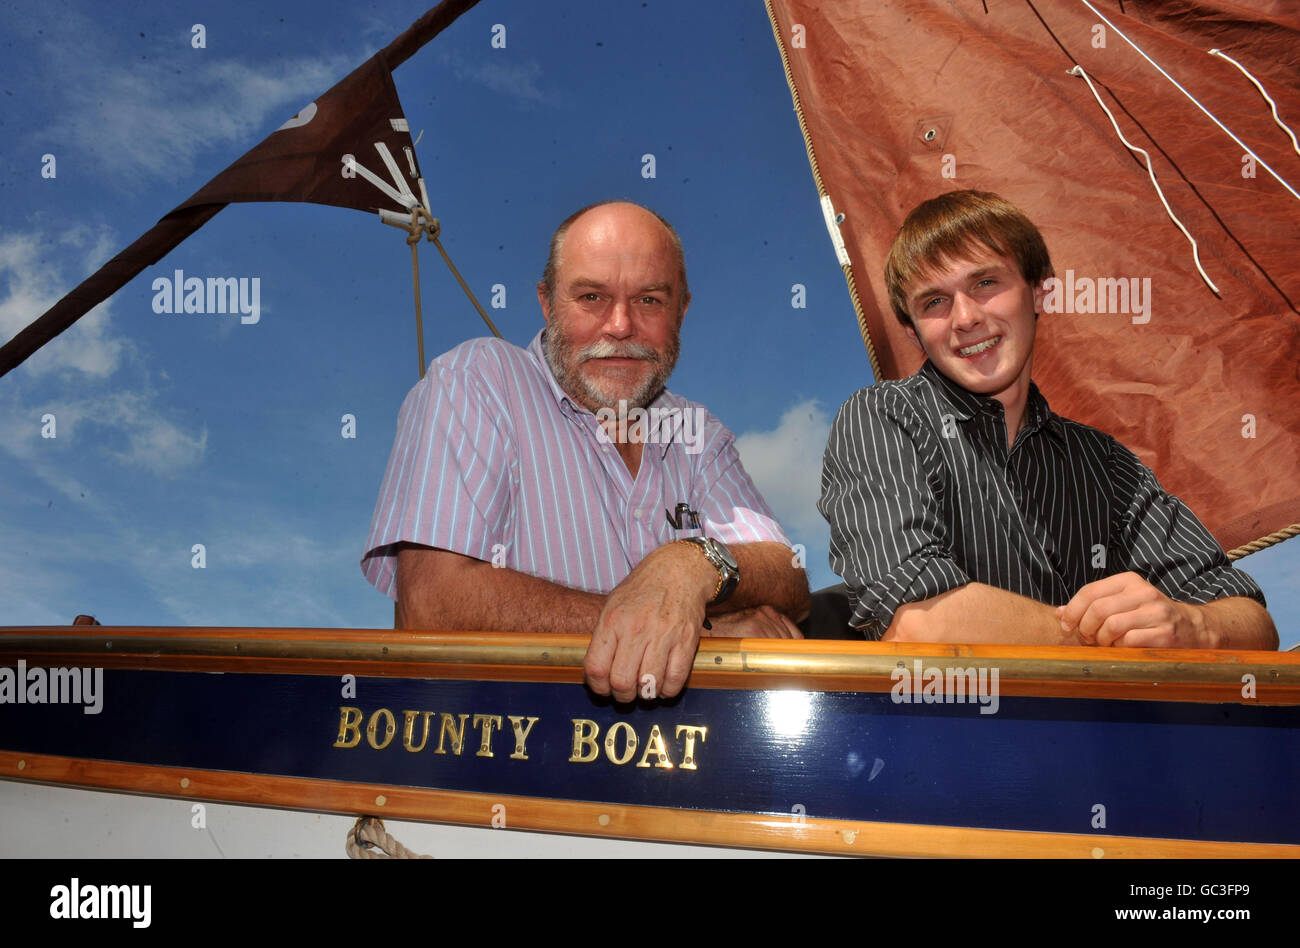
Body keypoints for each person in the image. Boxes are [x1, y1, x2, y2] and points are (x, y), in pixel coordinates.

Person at [362, 200, 812, 700]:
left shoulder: (698, 431)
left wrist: (691, 565)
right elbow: (432, 609)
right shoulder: (478, 379)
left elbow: (789, 575)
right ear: (547, 303)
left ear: (681, 310)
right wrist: (695, 635)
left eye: (649, 301)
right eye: (592, 296)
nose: (620, 325)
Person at [818, 190, 1277, 649]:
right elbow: (920, 624)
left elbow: (1253, 624)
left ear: (1039, 291)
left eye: (984, 283)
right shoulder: (881, 419)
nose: (965, 317)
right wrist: (1110, 646)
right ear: (911, 331)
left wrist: (1190, 626)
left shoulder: (1108, 464)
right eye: (934, 302)